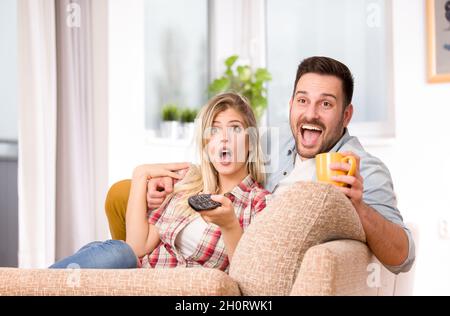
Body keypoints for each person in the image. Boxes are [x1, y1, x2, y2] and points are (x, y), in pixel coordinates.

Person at [105, 56, 415, 274]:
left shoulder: (362, 168)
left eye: (326, 104)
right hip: (198, 225)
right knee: (124, 193)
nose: (311, 113)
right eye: (303, 100)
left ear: (346, 115)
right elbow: (222, 152)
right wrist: (165, 182)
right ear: (291, 103)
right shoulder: (275, 141)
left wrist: (357, 207)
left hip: (251, 249)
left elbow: (402, 256)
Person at [50, 93, 270, 271]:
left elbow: (248, 275)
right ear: (206, 144)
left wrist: (229, 224)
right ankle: (31, 285)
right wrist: (140, 175)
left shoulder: (259, 203)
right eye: (213, 130)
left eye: (235, 129)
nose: (224, 138)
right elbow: (137, 246)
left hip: (176, 288)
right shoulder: (189, 182)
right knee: (118, 252)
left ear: (250, 142)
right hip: (140, 276)